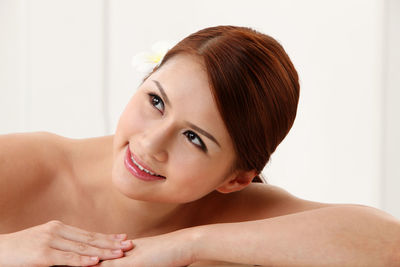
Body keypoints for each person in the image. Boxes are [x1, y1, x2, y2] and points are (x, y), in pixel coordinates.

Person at [0, 25, 399, 267]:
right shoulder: (30, 165)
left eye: (194, 138)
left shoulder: (235, 213)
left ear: (236, 178)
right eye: (156, 101)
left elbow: (390, 245)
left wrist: (187, 246)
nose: (151, 143)